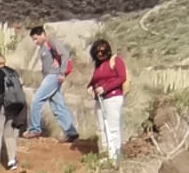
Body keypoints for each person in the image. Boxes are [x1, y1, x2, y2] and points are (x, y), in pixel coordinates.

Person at [25, 25, 80, 143]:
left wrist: (62, 72)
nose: (35, 42)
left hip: (53, 76)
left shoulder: (52, 41)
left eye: (36, 38)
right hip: (49, 77)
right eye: (33, 39)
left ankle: (35, 129)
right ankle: (71, 132)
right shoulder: (42, 47)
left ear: (42, 34)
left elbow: (65, 54)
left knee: (36, 100)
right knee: (57, 106)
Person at [86, 37, 129, 165]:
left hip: (113, 98)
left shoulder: (116, 61)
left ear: (108, 51)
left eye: (102, 52)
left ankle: (115, 156)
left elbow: (122, 77)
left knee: (113, 127)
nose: (100, 54)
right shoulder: (98, 66)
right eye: (97, 52)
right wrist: (90, 88)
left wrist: (105, 88)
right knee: (102, 127)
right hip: (100, 99)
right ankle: (105, 154)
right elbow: (94, 81)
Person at [0, 54, 25, 171]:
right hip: (13, 105)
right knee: (9, 133)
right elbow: (21, 84)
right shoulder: (13, 72)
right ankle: (12, 161)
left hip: (0, 105)